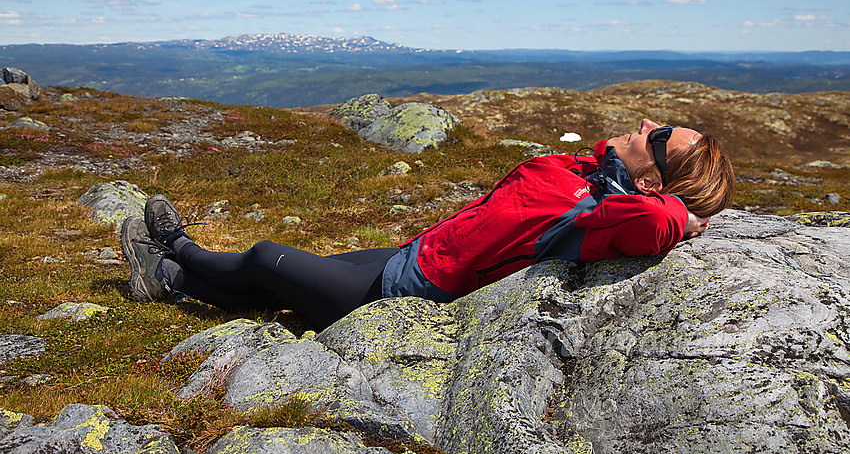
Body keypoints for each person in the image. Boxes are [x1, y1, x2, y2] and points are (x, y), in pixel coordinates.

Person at [120, 119, 734, 331]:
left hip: (407, 292)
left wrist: (685, 210)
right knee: (274, 291)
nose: (646, 124)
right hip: (417, 253)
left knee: (262, 258)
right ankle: (175, 285)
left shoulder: (602, 216)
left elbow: (653, 224)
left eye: (657, 137)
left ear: (655, 181)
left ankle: (176, 252)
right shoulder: (593, 178)